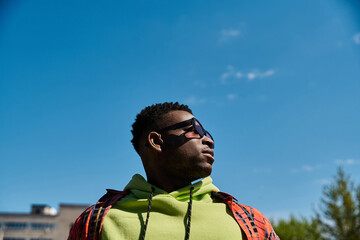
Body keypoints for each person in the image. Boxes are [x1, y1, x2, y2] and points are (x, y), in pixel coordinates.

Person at [68, 102, 280, 240]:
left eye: (207, 133)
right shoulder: (95, 223)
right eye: (194, 130)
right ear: (156, 141)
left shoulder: (249, 221)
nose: (209, 140)